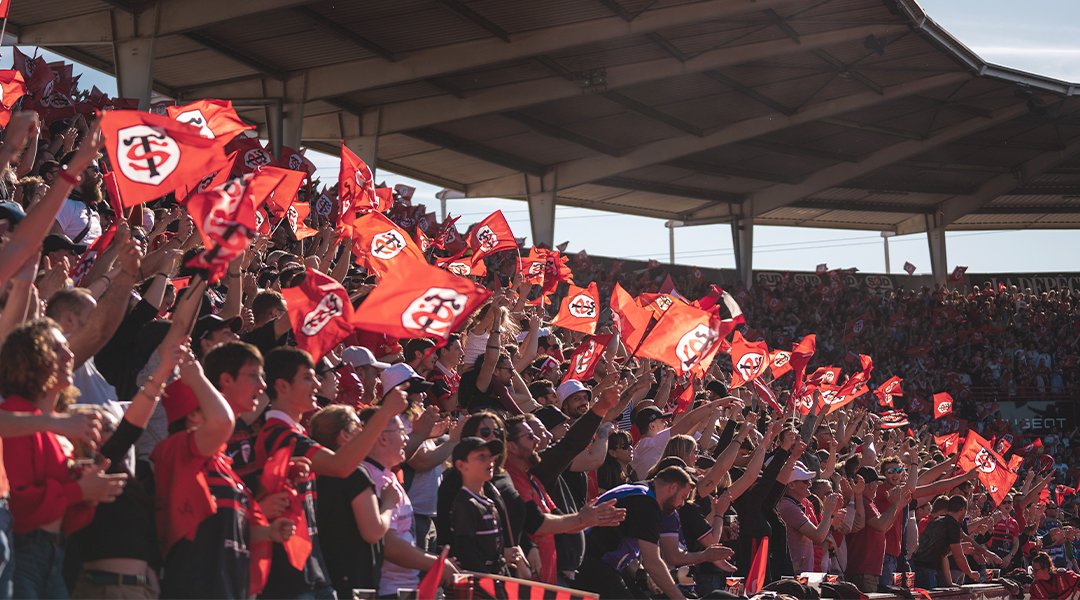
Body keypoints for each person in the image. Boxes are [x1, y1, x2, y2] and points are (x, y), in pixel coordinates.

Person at [0, 319, 128, 599]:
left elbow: (65, 519)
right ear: (31, 358)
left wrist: (91, 492)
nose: (70, 356)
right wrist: (78, 490)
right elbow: (17, 507)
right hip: (20, 555)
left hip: (54, 555)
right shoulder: (17, 416)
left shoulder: (61, 429)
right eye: (57, 349)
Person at [308, 405, 396, 598]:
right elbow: (373, 531)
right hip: (356, 580)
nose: (364, 432)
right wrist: (389, 503)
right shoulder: (355, 472)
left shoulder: (316, 472)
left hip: (329, 572)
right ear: (344, 435)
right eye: (358, 425)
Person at [575, 466, 695, 600]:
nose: (682, 504)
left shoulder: (641, 490)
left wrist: (643, 576)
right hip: (590, 562)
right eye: (683, 497)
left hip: (592, 559)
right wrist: (680, 598)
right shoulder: (646, 503)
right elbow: (653, 562)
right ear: (673, 487)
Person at [449, 437, 513, 575]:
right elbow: (467, 553)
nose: (490, 461)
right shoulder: (465, 504)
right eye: (481, 457)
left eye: (490, 456)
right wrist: (489, 583)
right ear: (462, 466)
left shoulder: (488, 501)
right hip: (480, 585)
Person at [910, 495, 978, 589]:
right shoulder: (952, 525)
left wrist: (949, 582)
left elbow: (943, 555)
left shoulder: (938, 521)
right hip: (927, 571)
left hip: (917, 568)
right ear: (962, 510)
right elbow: (959, 557)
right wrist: (970, 573)